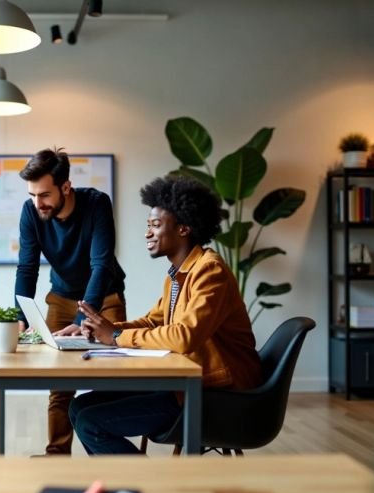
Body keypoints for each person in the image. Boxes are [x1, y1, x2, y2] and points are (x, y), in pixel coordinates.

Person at [71, 175, 262, 454]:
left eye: (156, 225)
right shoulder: (179, 274)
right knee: (79, 406)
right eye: (148, 226)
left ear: (184, 229)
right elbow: (154, 320)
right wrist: (101, 327)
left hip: (216, 394)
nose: (147, 233)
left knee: (90, 422)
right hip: (185, 385)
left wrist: (115, 335)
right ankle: (125, 489)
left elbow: (184, 337)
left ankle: (145, 492)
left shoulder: (210, 271)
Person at [14, 147, 127, 455]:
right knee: (59, 381)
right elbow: (27, 266)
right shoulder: (31, 211)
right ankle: (57, 456)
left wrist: (84, 322)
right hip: (61, 298)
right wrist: (20, 313)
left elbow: (101, 265)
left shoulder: (96, 203)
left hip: (104, 299)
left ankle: (107, 455)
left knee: (109, 379)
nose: (38, 203)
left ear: (66, 186)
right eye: (33, 195)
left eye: (45, 195)